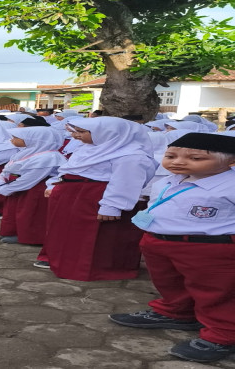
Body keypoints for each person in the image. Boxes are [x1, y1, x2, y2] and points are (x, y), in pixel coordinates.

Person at [108, 133, 235, 363]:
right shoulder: (167, 180)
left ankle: (223, 334)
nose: (178, 162)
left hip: (209, 248)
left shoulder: (231, 185)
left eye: (195, 158)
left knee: (216, 292)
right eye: (170, 156)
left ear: (231, 161)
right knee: (169, 283)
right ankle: (177, 312)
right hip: (159, 241)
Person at [40, 117, 155, 279]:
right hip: (74, 195)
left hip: (97, 197)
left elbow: (125, 182)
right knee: (70, 232)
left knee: (96, 236)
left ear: (107, 133)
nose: (76, 135)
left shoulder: (130, 156)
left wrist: (112, 206)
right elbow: (69, 169)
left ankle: (94, 270)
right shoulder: (88, 148)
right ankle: (64, 262)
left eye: (82, 132)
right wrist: (55, 184)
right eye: (76, 131)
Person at [0, 127, 65, 245]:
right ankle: (14, 232)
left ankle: (31, 237)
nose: (12, 140)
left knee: (31, 213)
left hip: (35, 187)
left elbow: (32, 177)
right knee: (17, 210)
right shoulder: (29, 151)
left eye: (16, 138)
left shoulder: (49, 156)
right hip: (21, 186)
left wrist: (8, 188)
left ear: (34, 139)